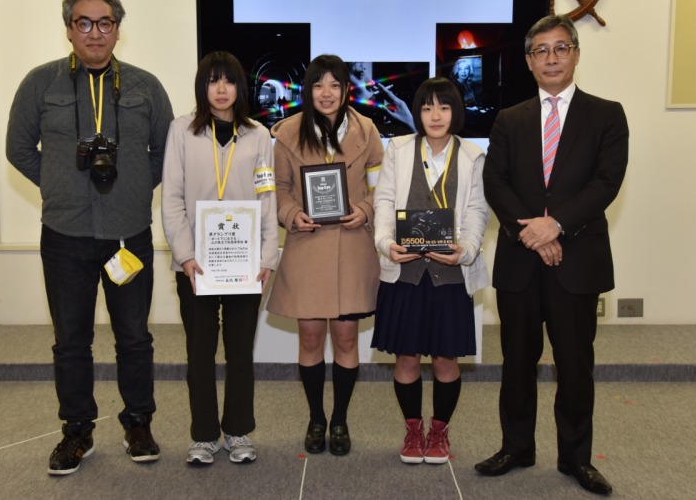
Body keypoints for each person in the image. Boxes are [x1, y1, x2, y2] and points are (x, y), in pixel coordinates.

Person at [5, 0, 173, 475]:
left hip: (127, 233)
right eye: (84, 23)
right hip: (64, 235)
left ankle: (138, 423)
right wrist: (59, 186)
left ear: (118, 29)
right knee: (71, 341)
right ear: (69, 29)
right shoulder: (41, 83)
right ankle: (77, 431)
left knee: (134, 338)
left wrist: (133, 189)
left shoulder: (145, 85)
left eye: (105, 23)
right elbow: (19, 149)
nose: (95, 32)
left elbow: (165, 154)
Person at [476, 15, 628, 496]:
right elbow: (495, 182)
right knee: (517, 362)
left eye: (561, 48)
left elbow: (606, 181)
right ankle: (516, 448)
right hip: (522, 264)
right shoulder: (510, 118)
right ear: (528, 61)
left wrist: (555, 224)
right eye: (541, 51)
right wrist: (535, 234)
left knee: (575, 364)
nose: (552, 58)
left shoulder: (607, 114)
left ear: (576, 54)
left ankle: (576, 459)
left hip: (577, 262)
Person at [161, 51, 278, 466]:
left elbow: (267, 197)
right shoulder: (181, 131)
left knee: (240, 352)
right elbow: (172, 198)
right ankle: (205, 435)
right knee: (200, 352)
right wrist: (185, 255)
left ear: (240, 87)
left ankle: (239, 430)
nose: (222, 88)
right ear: (202, 87)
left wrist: (267, 256)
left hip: (245, 265)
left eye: (229, 80)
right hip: (196, 266)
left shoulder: (259, 135)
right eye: (213, 80)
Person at [267, 54, 384, 456]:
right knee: (312, 338)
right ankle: (317, 418)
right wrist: (290, 214)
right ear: (308, 90)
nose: (327, 93)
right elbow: (278, 189)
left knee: (347, 339)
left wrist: (365, 211)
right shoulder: (286, 134)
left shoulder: (367, 131)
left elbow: (378, 189)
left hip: (352, 248)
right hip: (307, 247)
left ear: (346, 89)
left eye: (335, 85)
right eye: (319, 85)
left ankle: (340, 420)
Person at [371, 77, 490, 464]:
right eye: (426, 107)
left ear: (455, 111)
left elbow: (476, 211)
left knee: (445, 360)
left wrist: (467, 250)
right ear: (417, 112)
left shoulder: (472, 156)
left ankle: (439, 431)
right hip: (405, 273)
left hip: (449, 274)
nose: (435, 115)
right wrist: (386, 244)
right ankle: (412, 429)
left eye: (443, 107)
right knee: (405, 358)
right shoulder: (399, 150)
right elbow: (384, 200)